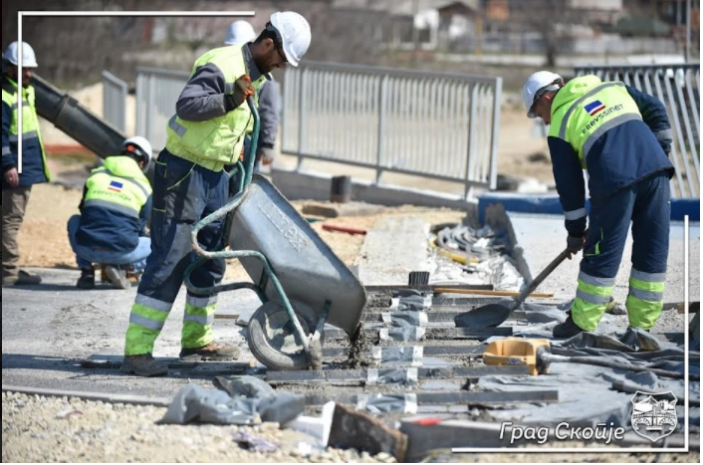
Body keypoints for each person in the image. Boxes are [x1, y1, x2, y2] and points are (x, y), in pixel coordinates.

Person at [121, 11, 312, 377]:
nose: (282, 66)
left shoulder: (258, 76)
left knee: (211, 258)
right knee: (170, 259)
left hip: (216, 176)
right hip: (183, 174)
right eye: (281, 58)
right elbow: (188, 106)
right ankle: (137, 351)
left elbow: (234, 127)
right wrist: (228, 100)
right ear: (268, 43)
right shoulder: (221, 64)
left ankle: (196, 339)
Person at [521, 71, 674, 338]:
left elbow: (570, 187)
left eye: (538, 113)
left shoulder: (560, 125)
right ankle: (642, 326)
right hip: (657, 171)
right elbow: (656, 108)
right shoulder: (610, 87)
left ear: (545, 98)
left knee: (602, 253)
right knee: (652, 248)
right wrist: (661, 149)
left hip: (614, 180)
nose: (543, 121)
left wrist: (576, 232)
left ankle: (581, 324)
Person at [67, 137, 154, 290]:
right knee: (159, 245)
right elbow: (139, 229)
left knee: (74, 220)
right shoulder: (144, 187)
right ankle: (124, 268)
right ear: (142, 163)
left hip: (86, 249)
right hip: (122, 253)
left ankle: (87, 273)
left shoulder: (95, 176)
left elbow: (85, 212)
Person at [2, 41, 50, 287]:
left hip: (24, 167)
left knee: (9, 218)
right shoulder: (5, 95)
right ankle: (9, 271)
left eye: (30, 69)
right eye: (23, 69)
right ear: (10, 68)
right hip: (14, 169)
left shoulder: (24, 91)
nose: (29, 74)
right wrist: (8, 164)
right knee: (11, 219)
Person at [224, 20, 282, 175]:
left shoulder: (264, 80)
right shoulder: (228, 69)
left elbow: (269, 113)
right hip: (225, 140)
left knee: (240, 185)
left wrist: (268, 144)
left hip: (247, 142)